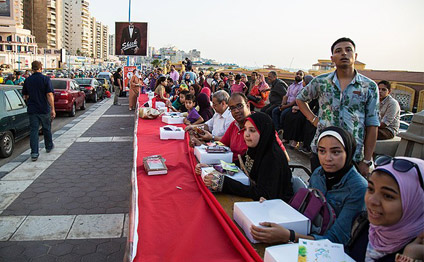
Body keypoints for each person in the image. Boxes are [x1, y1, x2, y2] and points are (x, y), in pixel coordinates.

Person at [251, 127, 367, 245]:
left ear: (349, 152)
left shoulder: (359, 188)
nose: (327, 158)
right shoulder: (318, 173)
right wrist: (274, 207)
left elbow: (337, 239)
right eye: (322, 151)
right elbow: (308, 211)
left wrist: (290, 236)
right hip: (307, 237)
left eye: (336, 152)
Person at [296, 37, 380, 176]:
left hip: (353, 154)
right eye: (338, 51)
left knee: (349, 195)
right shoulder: (321, 82)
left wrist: (366, 160)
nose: (344, 54)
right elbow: (300, 99)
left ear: (355, 56)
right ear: (332, 58)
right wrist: (313, 119)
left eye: (348, 50)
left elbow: (372, 124)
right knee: (320, 192)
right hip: (323, 151)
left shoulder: (368, 86)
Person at [196, 112, 293, 202]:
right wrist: (212, 167)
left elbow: (262, 193)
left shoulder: (272, 158)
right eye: (245, 129)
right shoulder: (255, 149)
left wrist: (224, 183)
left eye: (252, 130)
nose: (246, 134)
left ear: (264, 132)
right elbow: (238, 165)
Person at [347, 156, 424, 262]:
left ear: (416, 202)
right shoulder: (362, 224)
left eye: (388, 196)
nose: (372, 201)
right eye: (370, 189)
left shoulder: (417, 250)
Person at [22, 61, 55, 161]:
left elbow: (26, 96)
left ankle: (34, 153)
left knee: (34, 131)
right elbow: (49, 95)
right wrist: (52, 108)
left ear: (32, 69)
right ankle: (48, 146)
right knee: (46, 128)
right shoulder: (45, 79)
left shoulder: (28, 80)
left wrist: (30, 102)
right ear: (41, 68)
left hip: (32, 109)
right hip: (44, 108)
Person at [281, 75, 315, 148]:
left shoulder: (313, 91)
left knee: (298, 119)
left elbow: (310, 105)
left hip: (306, 111)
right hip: (298, 108)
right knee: (288, 115)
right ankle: (286, 137)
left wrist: (297, 108)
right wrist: (294, 107)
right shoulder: (303, 90)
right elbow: (298, 100)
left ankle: (295, 141)